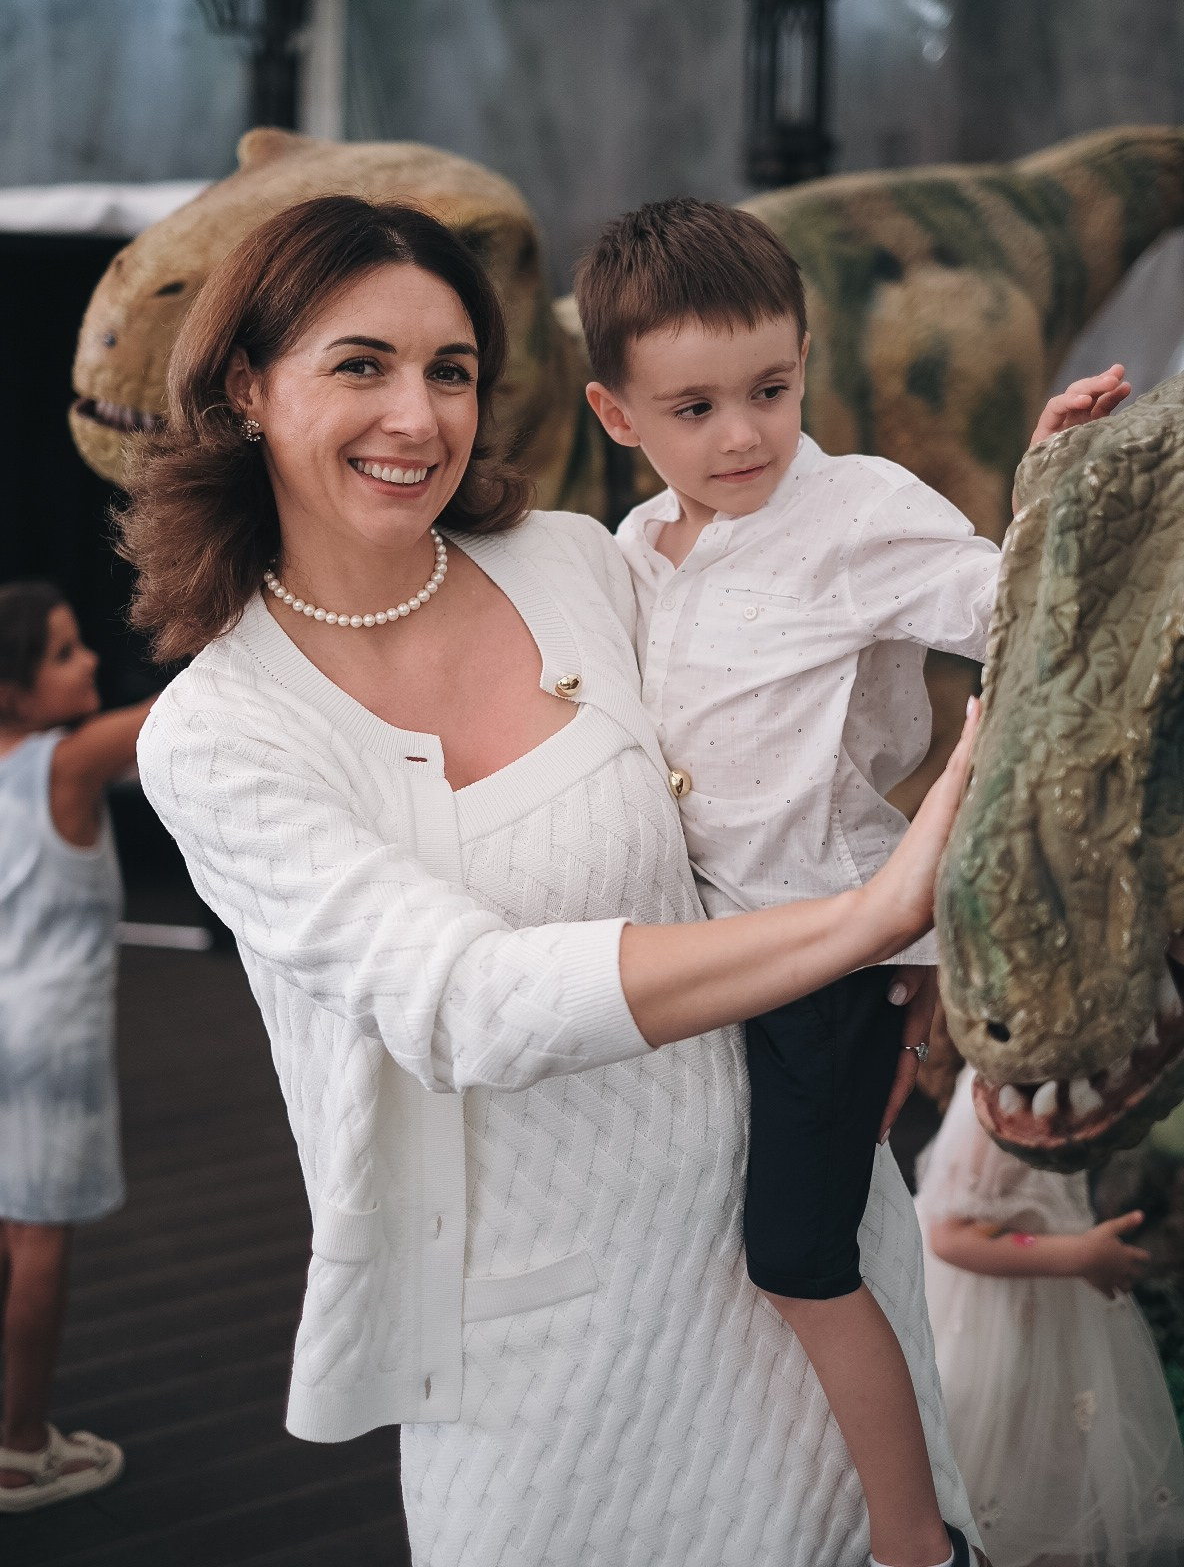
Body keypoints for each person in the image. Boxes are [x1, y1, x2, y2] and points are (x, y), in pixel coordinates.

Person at [124, 194, 980, 1567]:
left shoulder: (579, 562)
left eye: (450, 370)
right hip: (537, 1342)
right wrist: (860, 923)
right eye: (362, 365)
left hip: (793, 1246)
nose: (418, 417)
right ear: (245, 386)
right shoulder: (219, 736)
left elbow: (763, 742)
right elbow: (462, 1002)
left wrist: (889, 955)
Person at [575, 196, 1129, 1567]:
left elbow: (1007, 607)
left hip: (828, 949)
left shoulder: (856, 511)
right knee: (691, 1236)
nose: (743, 434)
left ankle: (913, 1542)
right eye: (694, 407)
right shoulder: (636, 549)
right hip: (698, 950)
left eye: (770, 389)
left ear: (805, 359)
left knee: (797, 1257)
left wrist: (1048, 483)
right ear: (617, 415)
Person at [0, 583, 153, 1512]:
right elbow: (187, 706)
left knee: (7, 1226)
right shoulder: (69, 762)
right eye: (63, 653)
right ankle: (20, 1449)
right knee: (40, 1237)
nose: (90, 657)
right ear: (13, 692)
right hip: (50, 1040)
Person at [916, 1059, 1184, 1566]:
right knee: (989, 1454)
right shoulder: (1000, 1093)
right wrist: (1079, 1255)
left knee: (1054, 1458)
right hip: (989, 1317)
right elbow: (948, 1237)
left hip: (1052, 1307)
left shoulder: (1062, 1078)